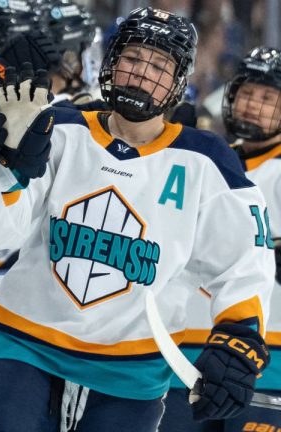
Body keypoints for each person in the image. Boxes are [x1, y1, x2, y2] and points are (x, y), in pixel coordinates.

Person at [0, 8, 274, 431]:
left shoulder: (206, 161)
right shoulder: (59, 127)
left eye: (159, 66)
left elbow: (243, 261)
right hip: (27, 342)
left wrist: (238, 339)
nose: (142, 74)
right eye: (132, 58)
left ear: (178, 81)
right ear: (111, 63)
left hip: (132, 369)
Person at [159, 46, 281, 432]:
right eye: (246, 93)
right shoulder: (208, 162)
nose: (252, 105)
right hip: (180, 352)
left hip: (265, 362)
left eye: (268, 98)